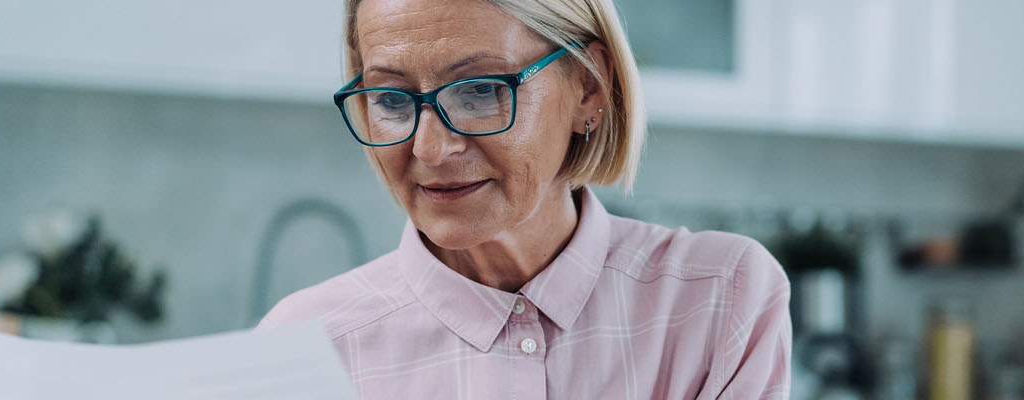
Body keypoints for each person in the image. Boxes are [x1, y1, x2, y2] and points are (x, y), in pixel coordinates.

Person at [256, 0, 792, 398]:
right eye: (392, 99)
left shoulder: (723, 300)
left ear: (587, 86)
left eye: (480, 89)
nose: (432, 148)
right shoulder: (303, 348)